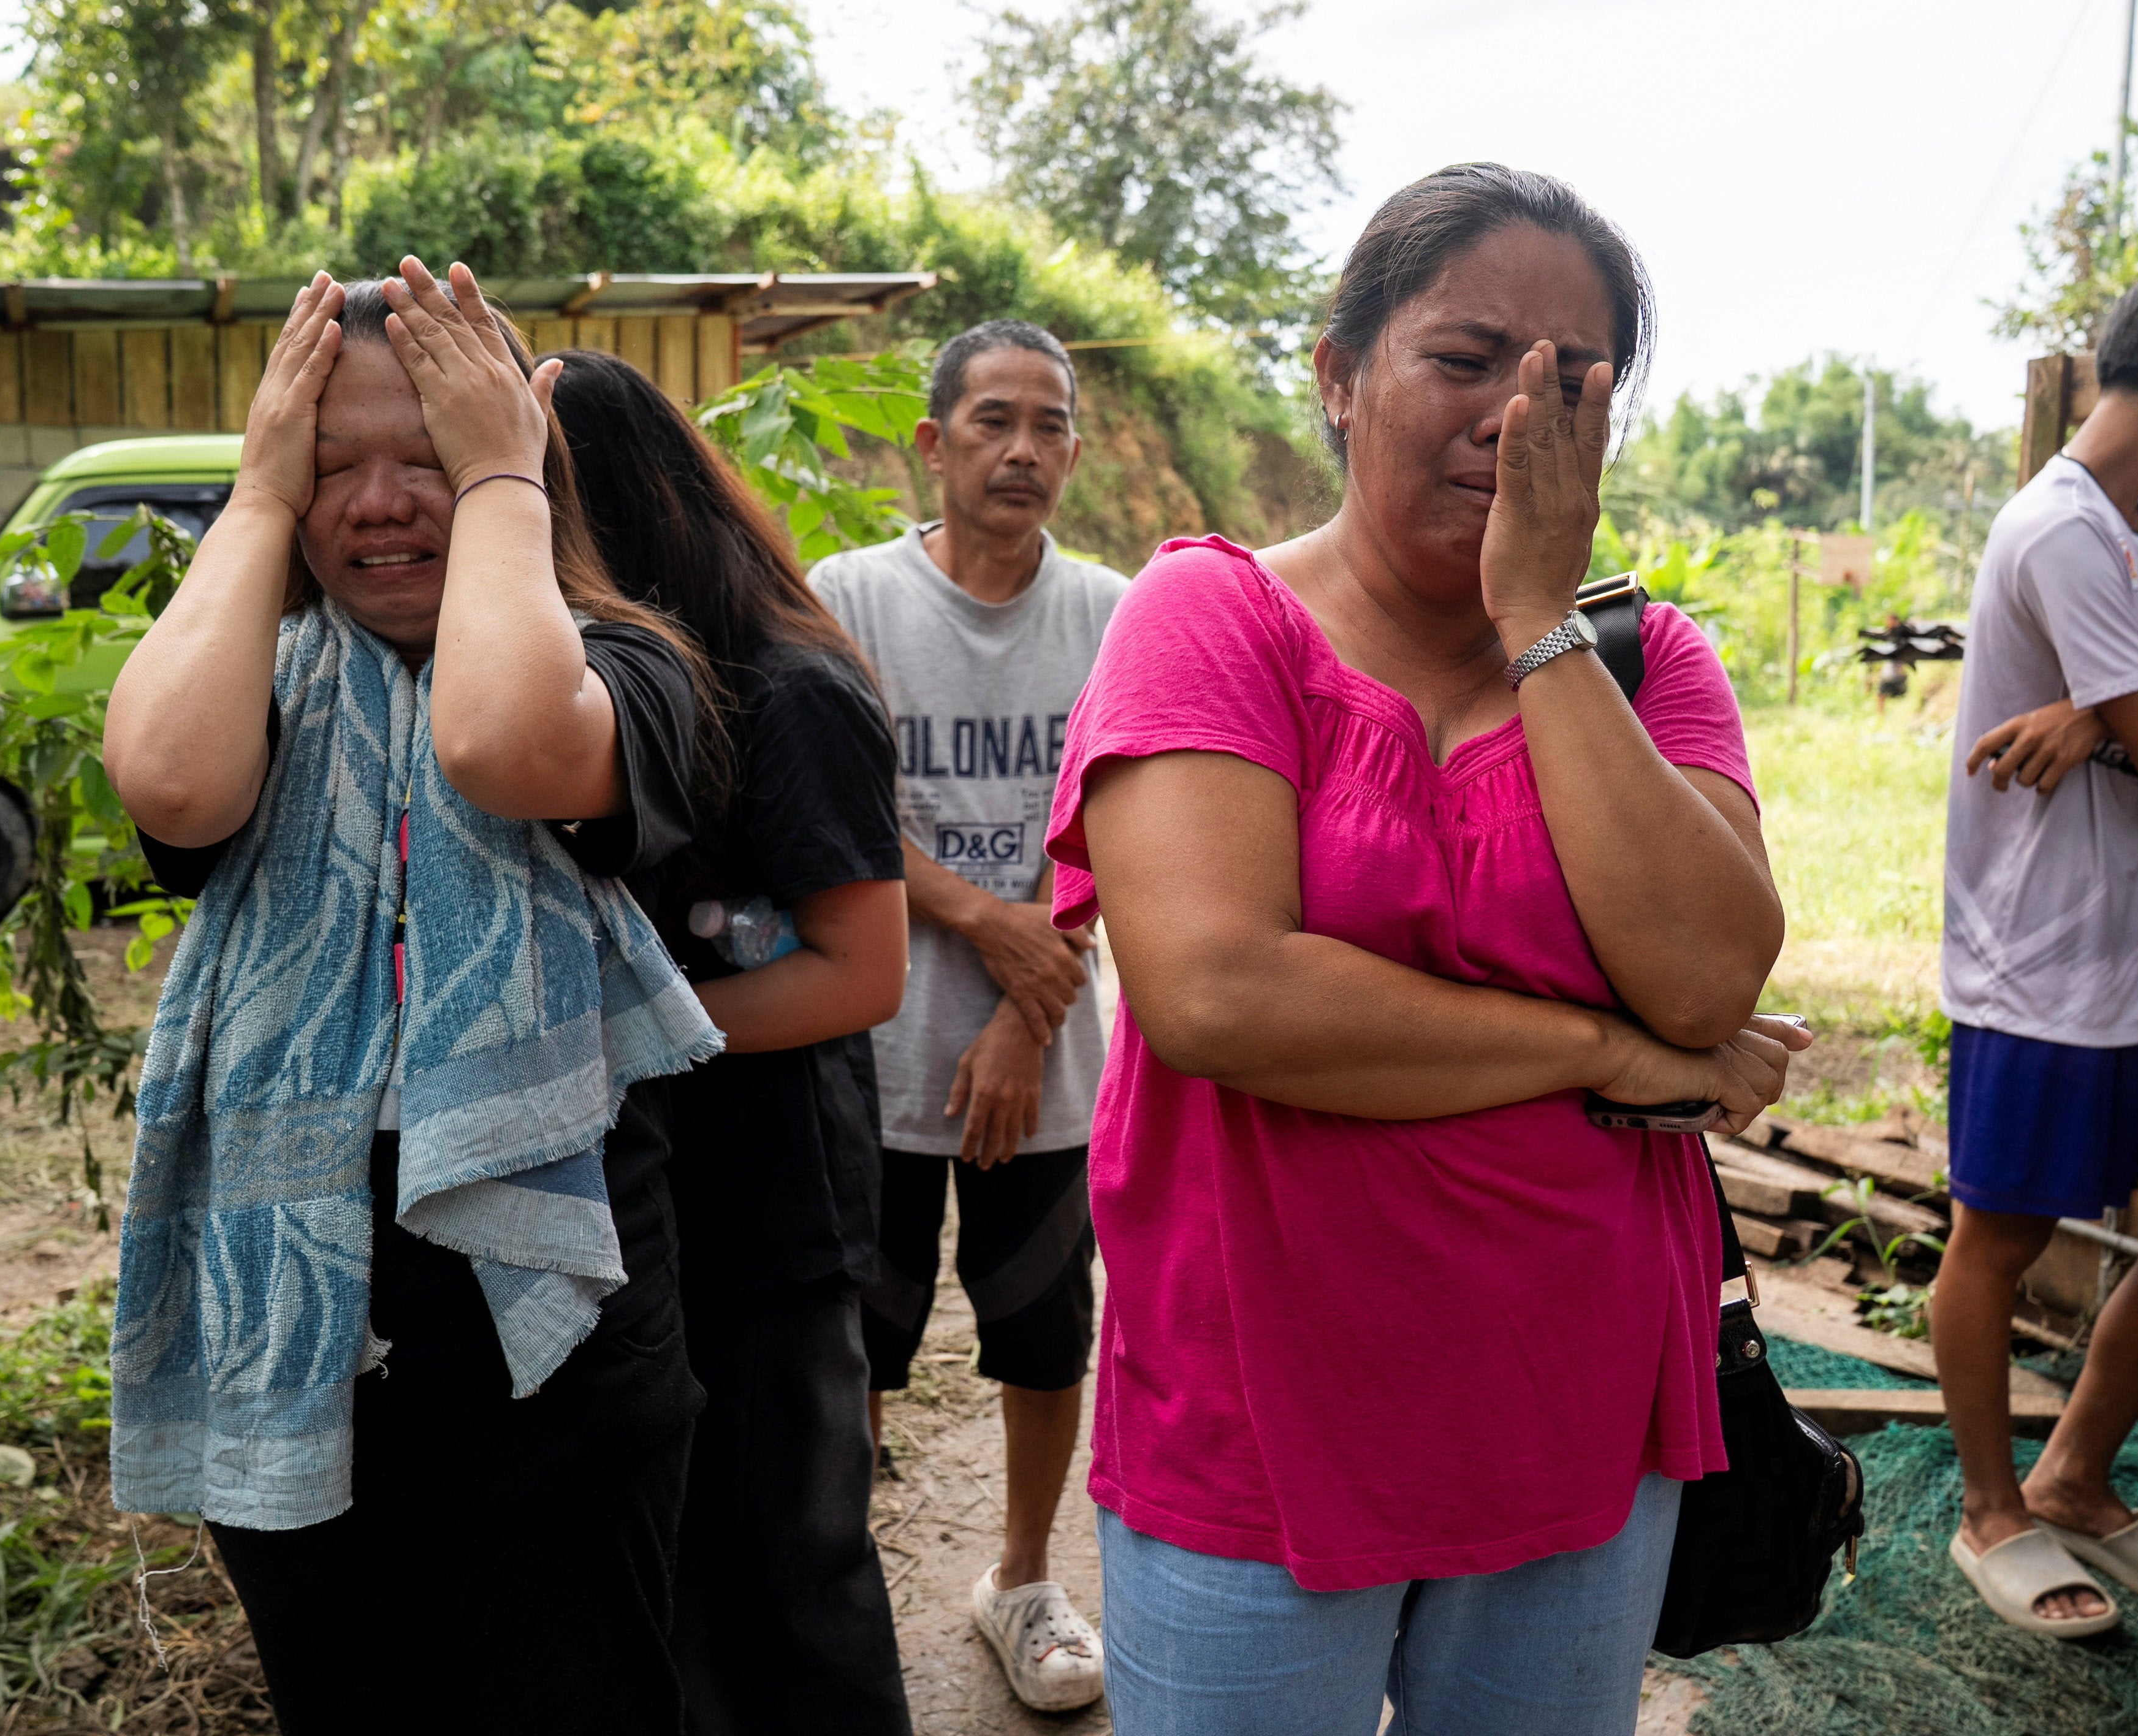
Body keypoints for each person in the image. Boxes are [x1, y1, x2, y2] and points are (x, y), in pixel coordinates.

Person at [1046, 164, 1810, 1734]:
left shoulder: (1644, 659)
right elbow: (1220, 994)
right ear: (1339, 378)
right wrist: (1600, 1049)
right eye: (1465, 361)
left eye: (1569, 381)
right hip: (1262, 1428)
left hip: (1579, 1422)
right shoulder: (1210, 622)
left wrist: (1541, 620)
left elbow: (1706, 979)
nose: (1515, 415)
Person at [102, 264, 721, 1732]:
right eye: (330, 464)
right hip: (292, 1323)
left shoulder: (627, 672)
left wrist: (506, 469)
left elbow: (502, 739)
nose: (380, 502)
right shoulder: (248, 681)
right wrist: (255, 505)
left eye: (429, 455)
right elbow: (177, 789)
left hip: (554, 1344)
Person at [550, 349, 914, 1735]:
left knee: (797, 1576)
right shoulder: (592, 688)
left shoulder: (789, 686)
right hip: (650, 1199)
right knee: (686, 1578)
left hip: (772, 1206)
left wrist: (599, 1037)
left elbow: (857, 973)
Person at [1934, 263, 2138, 1640]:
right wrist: (2134, 719)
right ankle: (1989, 1513)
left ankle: (2073, 1477)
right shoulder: (2055, 529)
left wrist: (2098, 712)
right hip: (2043, 966)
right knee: (1997, 1239)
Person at [812, 318, 1123, 1713]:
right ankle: (839, 1583)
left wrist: (1025, 1011)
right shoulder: (850, 600)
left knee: (1042, 1334)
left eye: (1049, 425)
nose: (1023, 449)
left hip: (1046, 1067)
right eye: (994, 421)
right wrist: (980, 918)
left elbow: (1131, 821)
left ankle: (1021, 1578)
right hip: (871, 1051)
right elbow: (827, 811)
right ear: (934, 445)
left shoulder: (1115, 616)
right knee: (856, 1341)